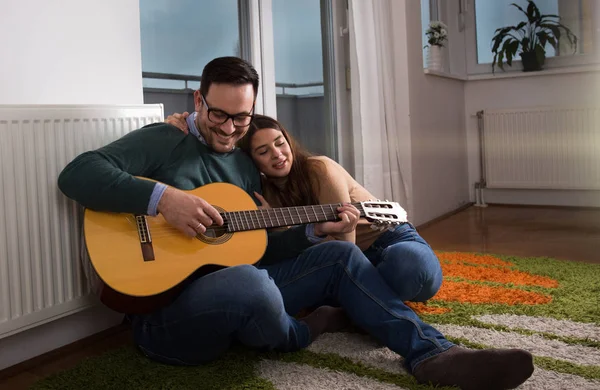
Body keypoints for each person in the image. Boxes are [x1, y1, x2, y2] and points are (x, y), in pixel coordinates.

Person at [58, 56, 534, 390]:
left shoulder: (246, 166)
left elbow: (254, 248)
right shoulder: (164, 140)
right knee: (251, 286)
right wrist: (164, 200)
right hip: (167, 318)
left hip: (236, 284)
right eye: (217, 114)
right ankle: (308, 329)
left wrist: (313, 233)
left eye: (240, 119)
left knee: (339, 254)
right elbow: (77, 173)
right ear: (197, 100)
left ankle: (433, 354)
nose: (227, 129)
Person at [166, 113, 442, 304]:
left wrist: (283, 228)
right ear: (251, 161)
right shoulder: (259, 192)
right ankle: (367, 299)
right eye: (263, 152)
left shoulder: (318, 169)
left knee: (410, 271)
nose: (277, 154)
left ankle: (364, 299)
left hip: (385, 240)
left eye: (280, 143)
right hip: (341, 259)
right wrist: (186, 126)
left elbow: (347, 251)